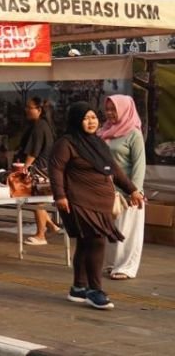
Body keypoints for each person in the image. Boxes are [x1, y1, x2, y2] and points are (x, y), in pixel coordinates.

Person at [51, 101, 144, 310]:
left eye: (93, 117)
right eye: (86, 118)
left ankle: (78, 288)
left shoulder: (98, 142)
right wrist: (60, 195)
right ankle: (95, 290)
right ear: (76, 120)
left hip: (101, 202)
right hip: (79, 200)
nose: (91, 121)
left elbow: (115, 170)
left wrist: (133, 190)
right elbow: (56, 169)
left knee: (86, 243)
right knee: (97, 241)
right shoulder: (65, 143)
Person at [100, 95, 146, 280]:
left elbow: (139, 164)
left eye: (114, 109)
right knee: (111, 230)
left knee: (127, 231)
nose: (110, 113)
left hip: (128, 192)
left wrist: (135, 190)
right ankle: (112, 264)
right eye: (108, 109)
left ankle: (126, 267)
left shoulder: (134, 133)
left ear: (125, 109)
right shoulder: (104, 130)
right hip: (107, 191)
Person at [19, 97, 60, 246]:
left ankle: (41, 234)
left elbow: (33, 151)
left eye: (30, 107)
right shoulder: (45, 125)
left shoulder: (39, 126)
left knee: (36, 202)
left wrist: (25, 167)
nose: (27, 110)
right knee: (37, 202)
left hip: (39, 169)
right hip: (45, 169)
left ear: (39, 110)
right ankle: (51, 225)